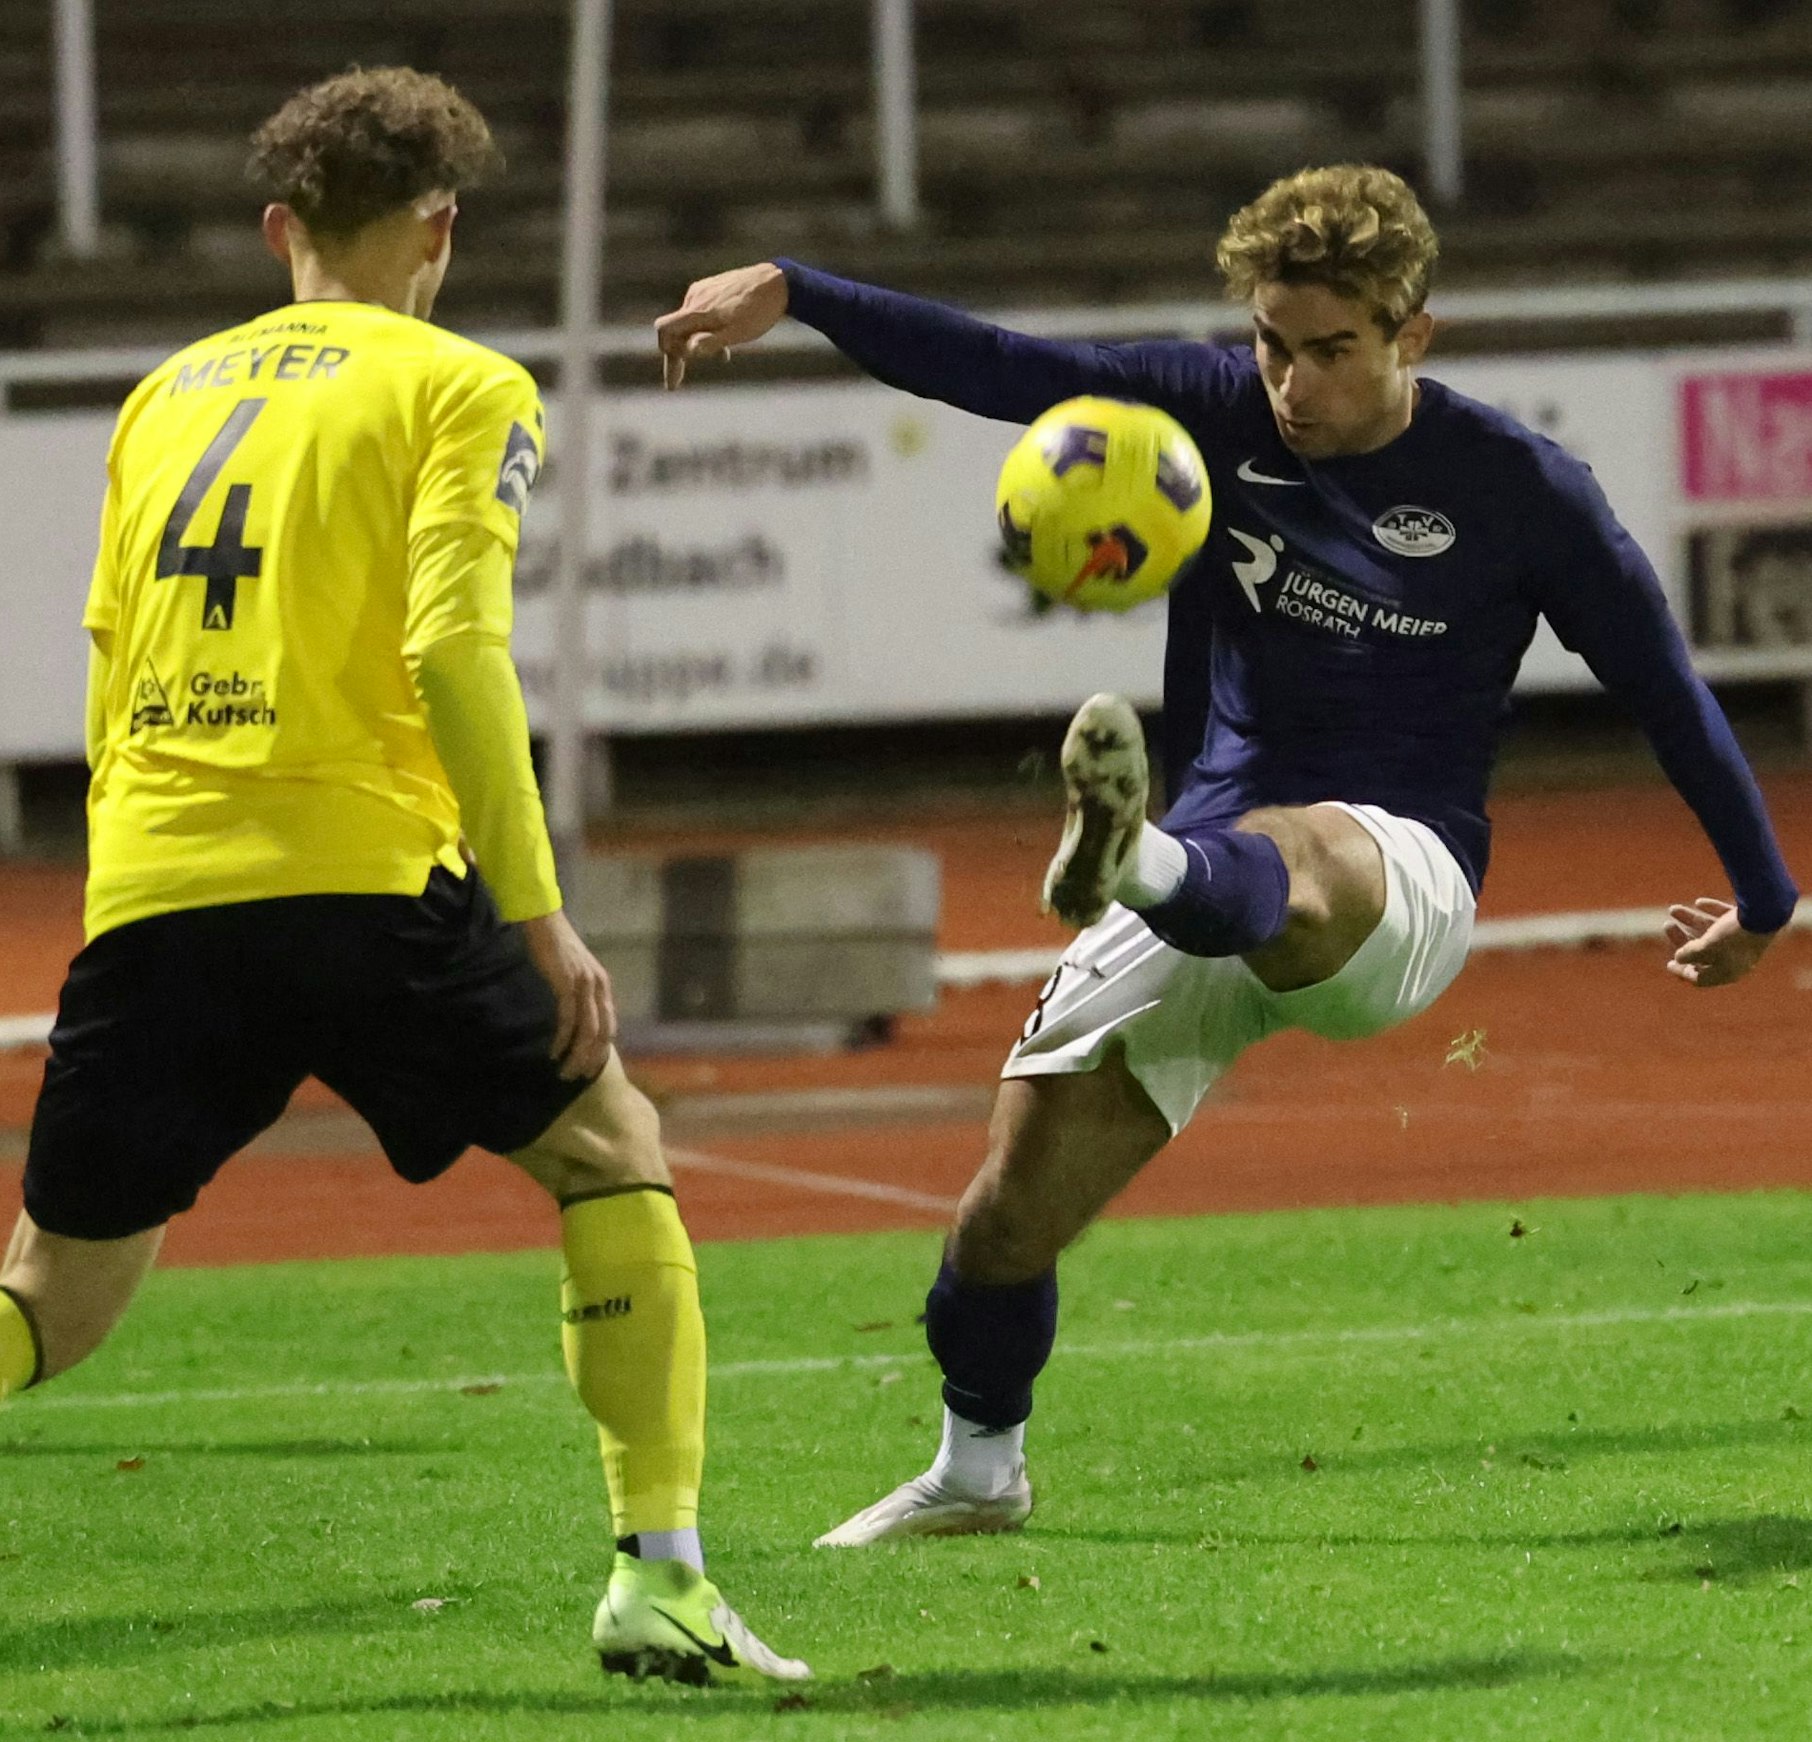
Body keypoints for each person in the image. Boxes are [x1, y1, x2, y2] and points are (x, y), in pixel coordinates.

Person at [655, 164, 1800, 1547]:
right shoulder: (1207, 409)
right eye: (1272, 344)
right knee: (1003, 1223)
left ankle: (1131, 862)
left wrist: (1766, 895)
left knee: (1303, 854)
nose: (1293, 384)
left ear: (1413, 335)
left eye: (1333, 350)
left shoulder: (1523, 490)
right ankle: (978, 1468)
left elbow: (1666, 691)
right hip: (1205, 858)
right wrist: (796, 290)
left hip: (1399, 879)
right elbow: (1003, 367)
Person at [0, 67, 806, 1682]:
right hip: (368, 876)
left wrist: (132, 892)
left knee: (51, 1303)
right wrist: (541, 913)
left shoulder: (162, 399)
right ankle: (659, 1581)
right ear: (439, 229)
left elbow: (107, 662)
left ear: (279, 227)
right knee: (610, 1148)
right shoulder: (462, 386)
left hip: (159, 883)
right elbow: (452, 648)